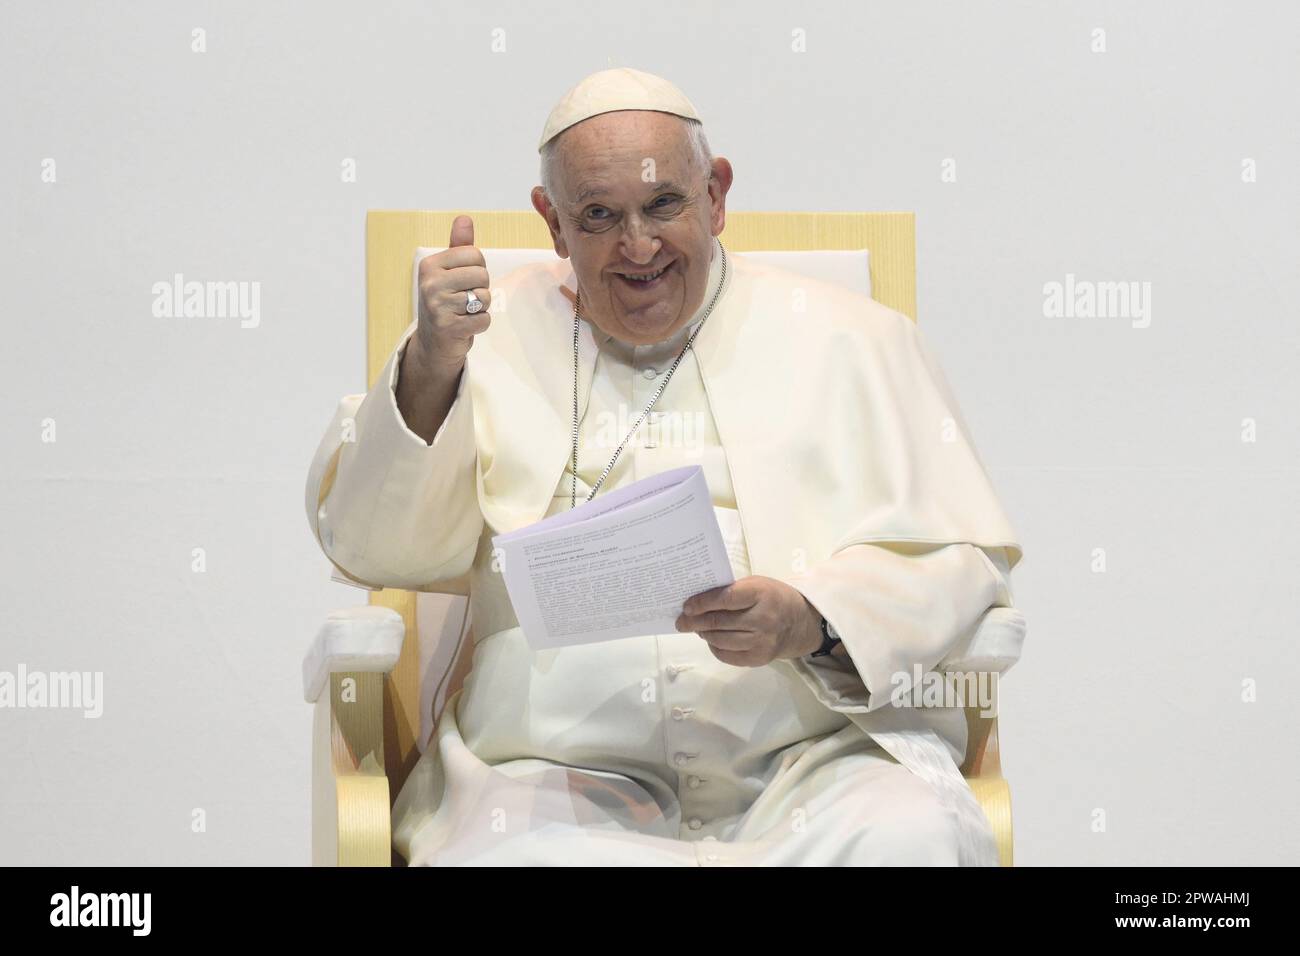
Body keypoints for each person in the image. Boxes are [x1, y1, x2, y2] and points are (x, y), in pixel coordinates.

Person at [305, 67, 1026, 866]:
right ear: (552, 222)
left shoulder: (852, 338)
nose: (637, 247)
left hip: (814, 769)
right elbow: (373, 548)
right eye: (600, 216)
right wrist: (431, 367)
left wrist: (812, 618)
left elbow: (960, 563)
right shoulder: (485, 338)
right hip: (545, 781)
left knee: (906, 837)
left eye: (664, 206)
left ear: (716, 195)